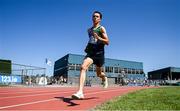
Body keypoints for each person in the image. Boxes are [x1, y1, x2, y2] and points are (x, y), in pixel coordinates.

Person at [72, 11, 109, 99]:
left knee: (99, 74)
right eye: (93, 16)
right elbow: (91, 40)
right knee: (83, 67)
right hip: (91, 53)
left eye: (97, 16)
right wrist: (87, 46)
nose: (95, 17)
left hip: (100, 54)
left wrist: (99, 38)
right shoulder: (89, 30)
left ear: (100, 19)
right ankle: (80, 92)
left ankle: (104, 78)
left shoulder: (101, 28)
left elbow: (107, 42)